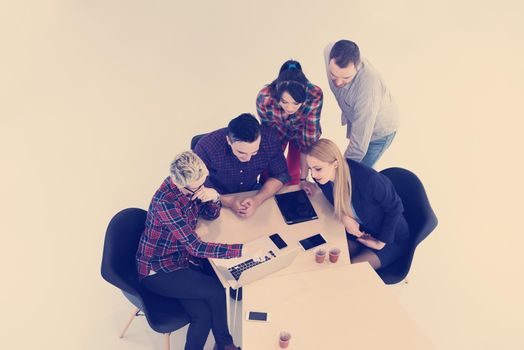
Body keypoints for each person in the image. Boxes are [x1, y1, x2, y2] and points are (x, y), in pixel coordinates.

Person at [136, 151, 247, 350]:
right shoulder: (166, 203)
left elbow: (210, 215)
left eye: (204, 183)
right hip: (158, 269)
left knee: (202, 316)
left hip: (180, 260)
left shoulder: (193, 186)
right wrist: (241, 250)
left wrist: (213, 197)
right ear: (181, 184)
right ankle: (226, 344)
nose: (201, 189)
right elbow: (196, 247)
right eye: (197, 188)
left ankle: (223, 345)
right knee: (217, 289)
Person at [304, 139, 410, 270]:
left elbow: (395, 208)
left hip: (390, 238)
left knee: (351, 270)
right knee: (329, 261)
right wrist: (343, 217)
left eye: (318, 169)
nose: (313, 175)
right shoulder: (324, 178)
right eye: (310, 169)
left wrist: (380, 243)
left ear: (335, 164)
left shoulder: (369, 180)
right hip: (361, 232)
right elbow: (335, 200)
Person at [194, 113, 290, 218]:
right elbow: (196, 187)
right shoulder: (206, 147)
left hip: (251, 192)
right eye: (241, 152)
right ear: (228, 140)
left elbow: (280, 174)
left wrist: (257, 200)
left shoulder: (270, 138)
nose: (248, 159)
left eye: (254, 152)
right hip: (215, 197)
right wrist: (227, 201)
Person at [324, 39, 400, 168]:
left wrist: (340, 170)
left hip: (379, 133)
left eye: (346, 78)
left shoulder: (368, 89)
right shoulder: (328, 51)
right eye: (333, 75)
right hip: (360, 119)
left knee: (357, 174)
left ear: (357, 67)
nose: (338, 83)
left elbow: (358, 147)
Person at [256, 59, 323, 193]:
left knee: (295, 169)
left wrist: (304, 180)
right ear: (277, 95)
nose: (290, 108)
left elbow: (307, 142)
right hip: (277, 130)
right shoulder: (265, 98)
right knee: (270, 169)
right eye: (284, 102)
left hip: (301, 129)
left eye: (295, 103)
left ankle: (293, 192)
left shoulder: (314, 95)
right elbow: (269, 137)